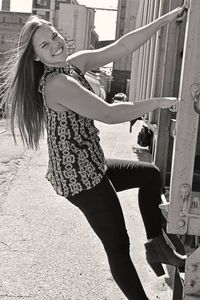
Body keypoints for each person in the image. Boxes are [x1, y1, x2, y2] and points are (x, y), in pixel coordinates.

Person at [0, 5, 186, 300]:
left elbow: (122, 46)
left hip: (93, 164)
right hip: (80, 180)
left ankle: (156, 245)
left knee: (149, 176)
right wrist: (158, 102)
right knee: (117, 245)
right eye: (45, 45)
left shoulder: (73, 64)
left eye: (55, 37)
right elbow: (110, 114)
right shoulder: (56, 83)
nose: (55, 45)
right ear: (36, 56)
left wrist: (164, 19)